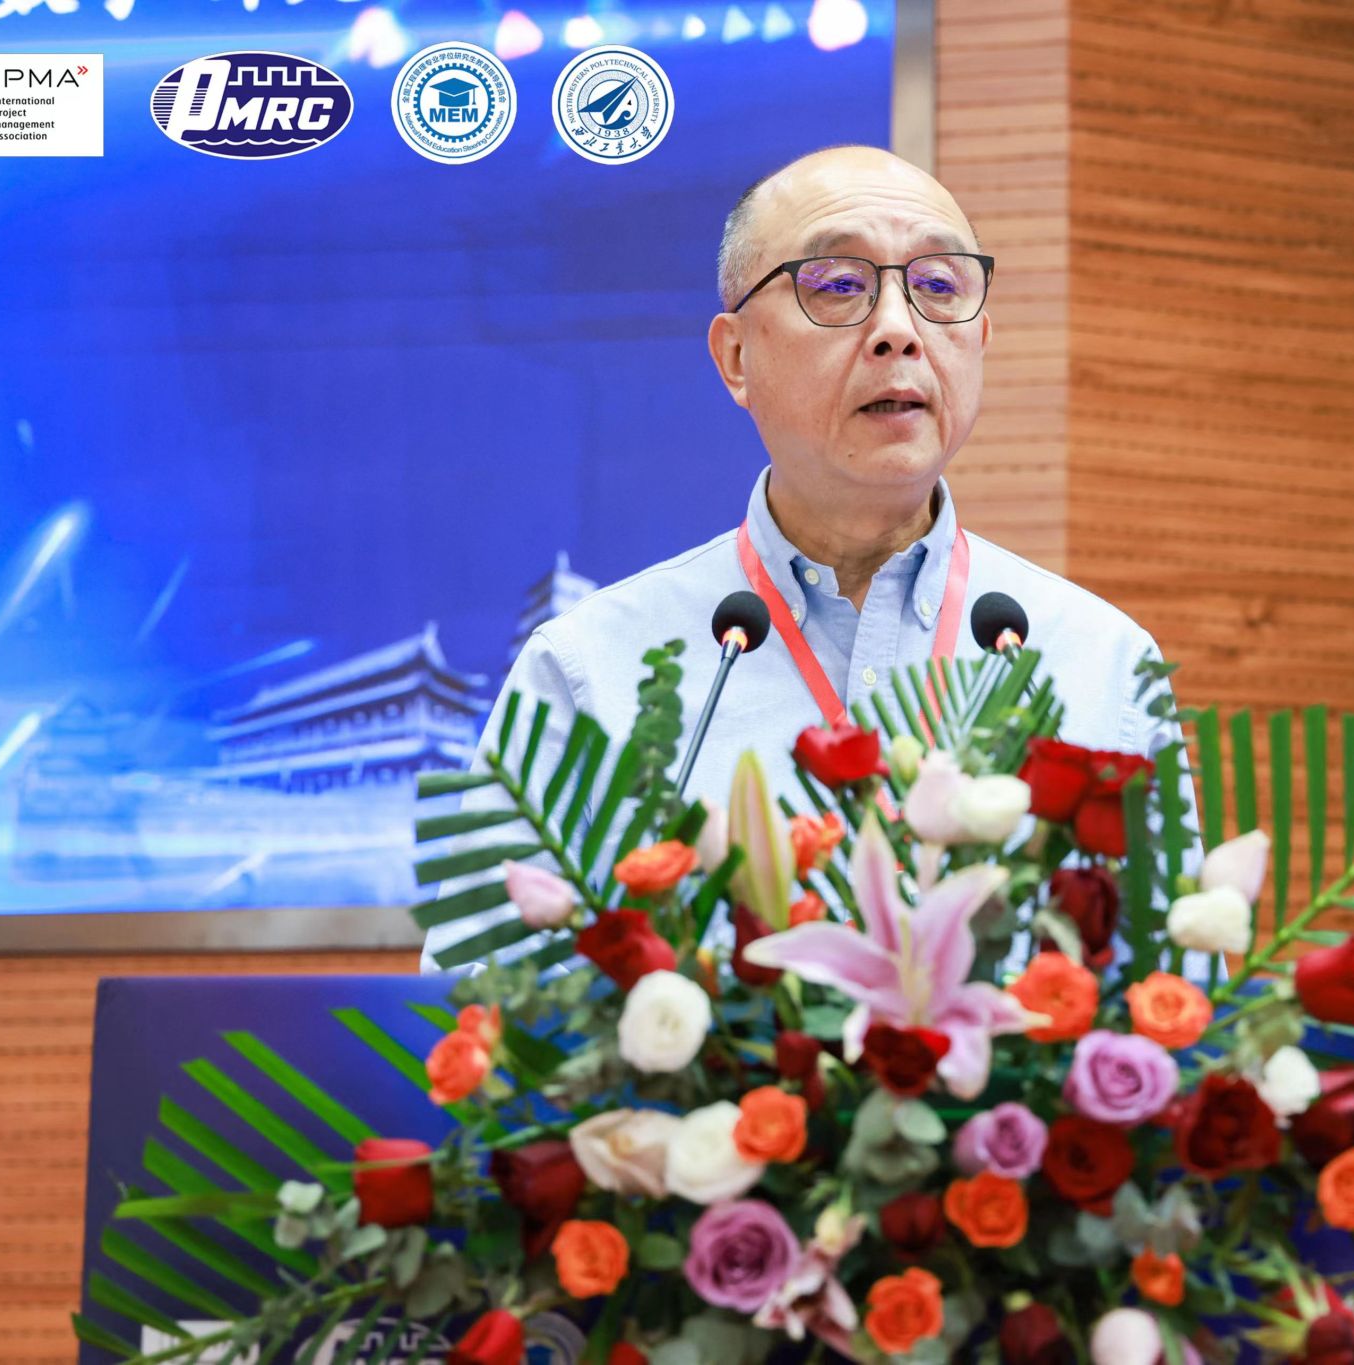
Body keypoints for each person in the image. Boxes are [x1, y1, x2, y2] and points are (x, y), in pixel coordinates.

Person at [422, 144, 1184, 970]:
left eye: (938, 286)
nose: (899, 330)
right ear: (736, 357)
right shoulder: (590, 670)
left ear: (981, 338)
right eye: (837, 285)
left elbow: (1178, 996)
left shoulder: (1098, 661)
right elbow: (479, 1008)